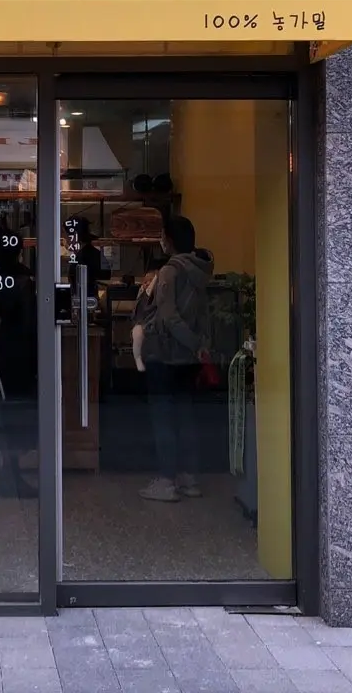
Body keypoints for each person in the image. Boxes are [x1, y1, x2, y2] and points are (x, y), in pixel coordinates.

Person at [134, 215, 213, 503]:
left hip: (165, 353)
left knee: (163, 417)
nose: (161, 240)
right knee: (186, 414)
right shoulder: (201, 269)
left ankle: (167, 480)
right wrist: (200, 345)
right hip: (189, 357)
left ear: (169, 239)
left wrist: (189, 341)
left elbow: (168, 317)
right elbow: (203, 314)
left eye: (162, 235)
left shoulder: (169, 271)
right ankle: (189, 477)